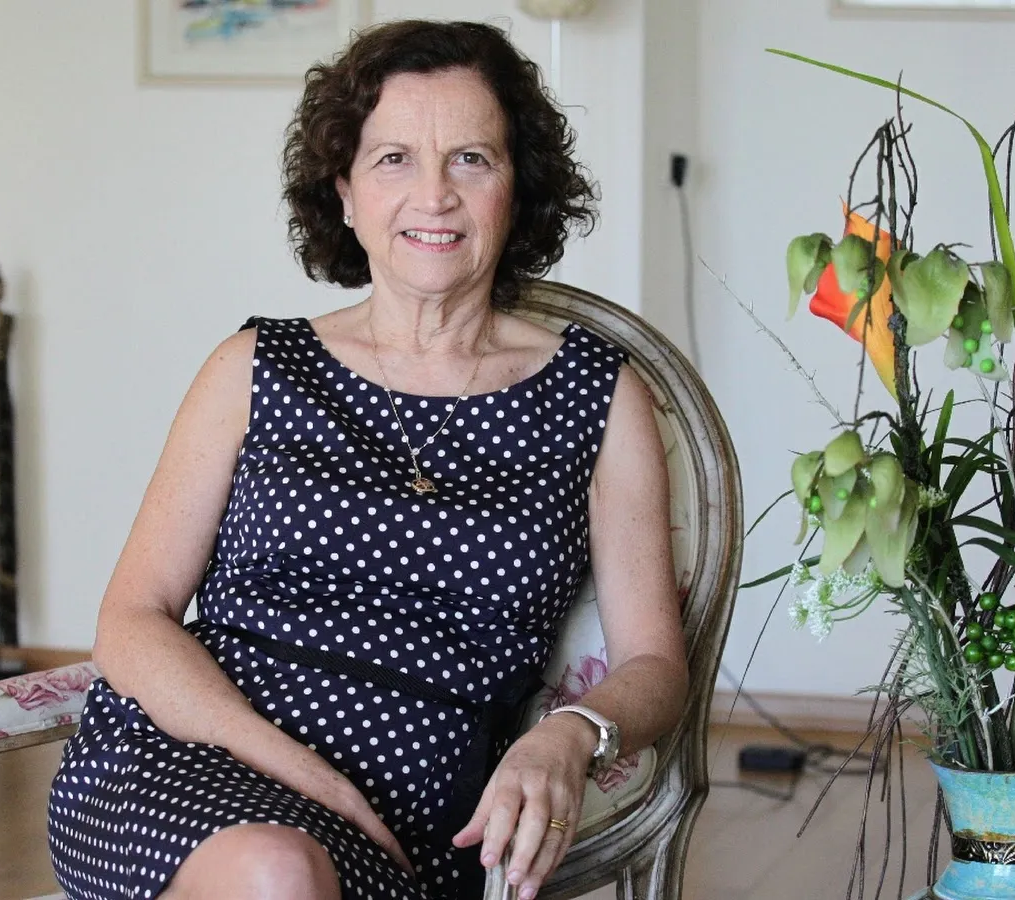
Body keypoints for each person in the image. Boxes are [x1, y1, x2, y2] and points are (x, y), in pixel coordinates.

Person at [47, 18, 687, 900]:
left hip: (420, 818)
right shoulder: (255, 368)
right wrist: (299, 773)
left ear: (519, 185)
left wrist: (571, 734)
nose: (434, 195)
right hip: (192, 758)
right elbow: (132, 619)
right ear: (344, 191)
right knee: (275, 869)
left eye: (471, 159)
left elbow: (656, 665)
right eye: (394, 159)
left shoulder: (599, 397)